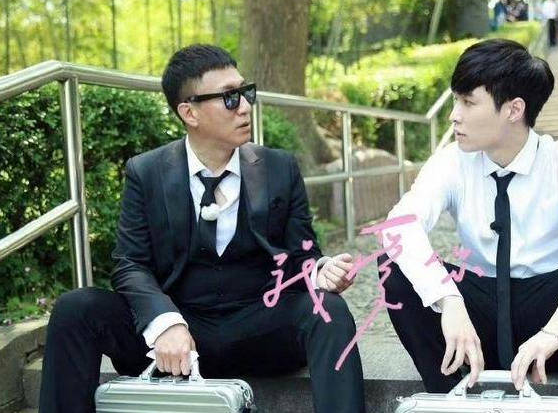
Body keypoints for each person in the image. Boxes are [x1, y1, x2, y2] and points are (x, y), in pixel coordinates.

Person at [38, 44, 366, 413]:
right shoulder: (147, 172)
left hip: (260, 328)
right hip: (177, 335)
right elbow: (130, 264)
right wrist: (165, 322)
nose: (245, 106)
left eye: (245, 92)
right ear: (189, 112)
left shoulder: (278, 168)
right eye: (229, 97)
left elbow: (302, 254)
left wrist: (322, 271)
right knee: (76, 308)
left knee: (329, 310)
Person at [380, 39, 558, 402]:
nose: (454, 115)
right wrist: (448, 300)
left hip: (556, 321)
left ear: (514, 109)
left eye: (468, 102)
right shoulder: (451, 162)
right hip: (474, 325)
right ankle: (448, 398)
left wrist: (557, 328)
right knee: (392, 264)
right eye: (455, 101)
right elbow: (399, 226)